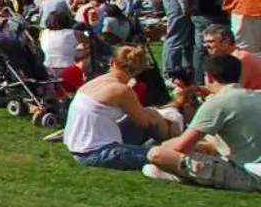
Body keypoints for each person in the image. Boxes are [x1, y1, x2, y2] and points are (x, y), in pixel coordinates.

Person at [143, 53, 261, 191]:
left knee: (156, 154)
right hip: (249, 163)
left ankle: (181, 175)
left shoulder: (219, 102)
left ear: (209, 76)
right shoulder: (254, 96)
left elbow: (180, 146)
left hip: (248, 175)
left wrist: (165, 144)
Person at [63, 44, 178, 170]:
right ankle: (174, 145)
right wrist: (159, 119)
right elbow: (144, 123)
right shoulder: (122, 91)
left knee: (151, 114)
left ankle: (172, 142)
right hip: (95, 152)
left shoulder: (95, 82)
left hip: (77, 145)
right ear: (138, 71)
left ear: (112, 62)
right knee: (160, 155)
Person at [202, 24, 261, 91]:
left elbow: (235, 90)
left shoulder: (240, 59)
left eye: (210, 41)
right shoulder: (225, 59)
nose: (206, 45)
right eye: (205, 42)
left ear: (226, 42)